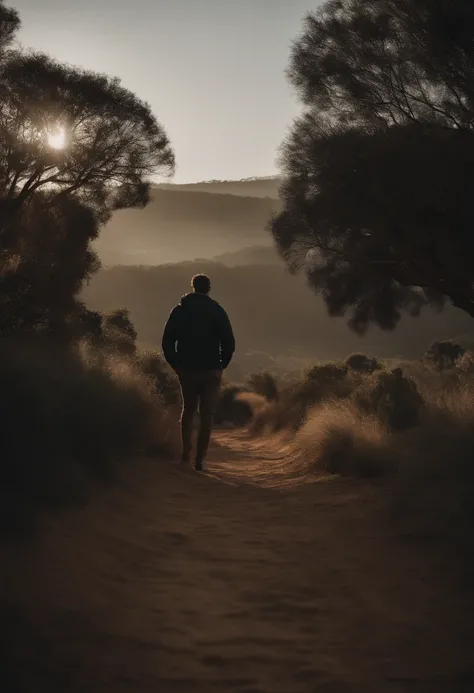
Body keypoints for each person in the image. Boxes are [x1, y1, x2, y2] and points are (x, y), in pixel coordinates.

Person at [162, 274, 235, 471]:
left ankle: (186, 453)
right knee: (207, 415)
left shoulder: (180, 310)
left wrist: (175, 363)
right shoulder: (217, 310)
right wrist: (221, 365)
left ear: (193, 287)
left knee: (189, 410)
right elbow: (229, 341)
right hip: (211, 369)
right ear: (208, 288)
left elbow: (167, 340)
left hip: (187, 369)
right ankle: (200, 459)